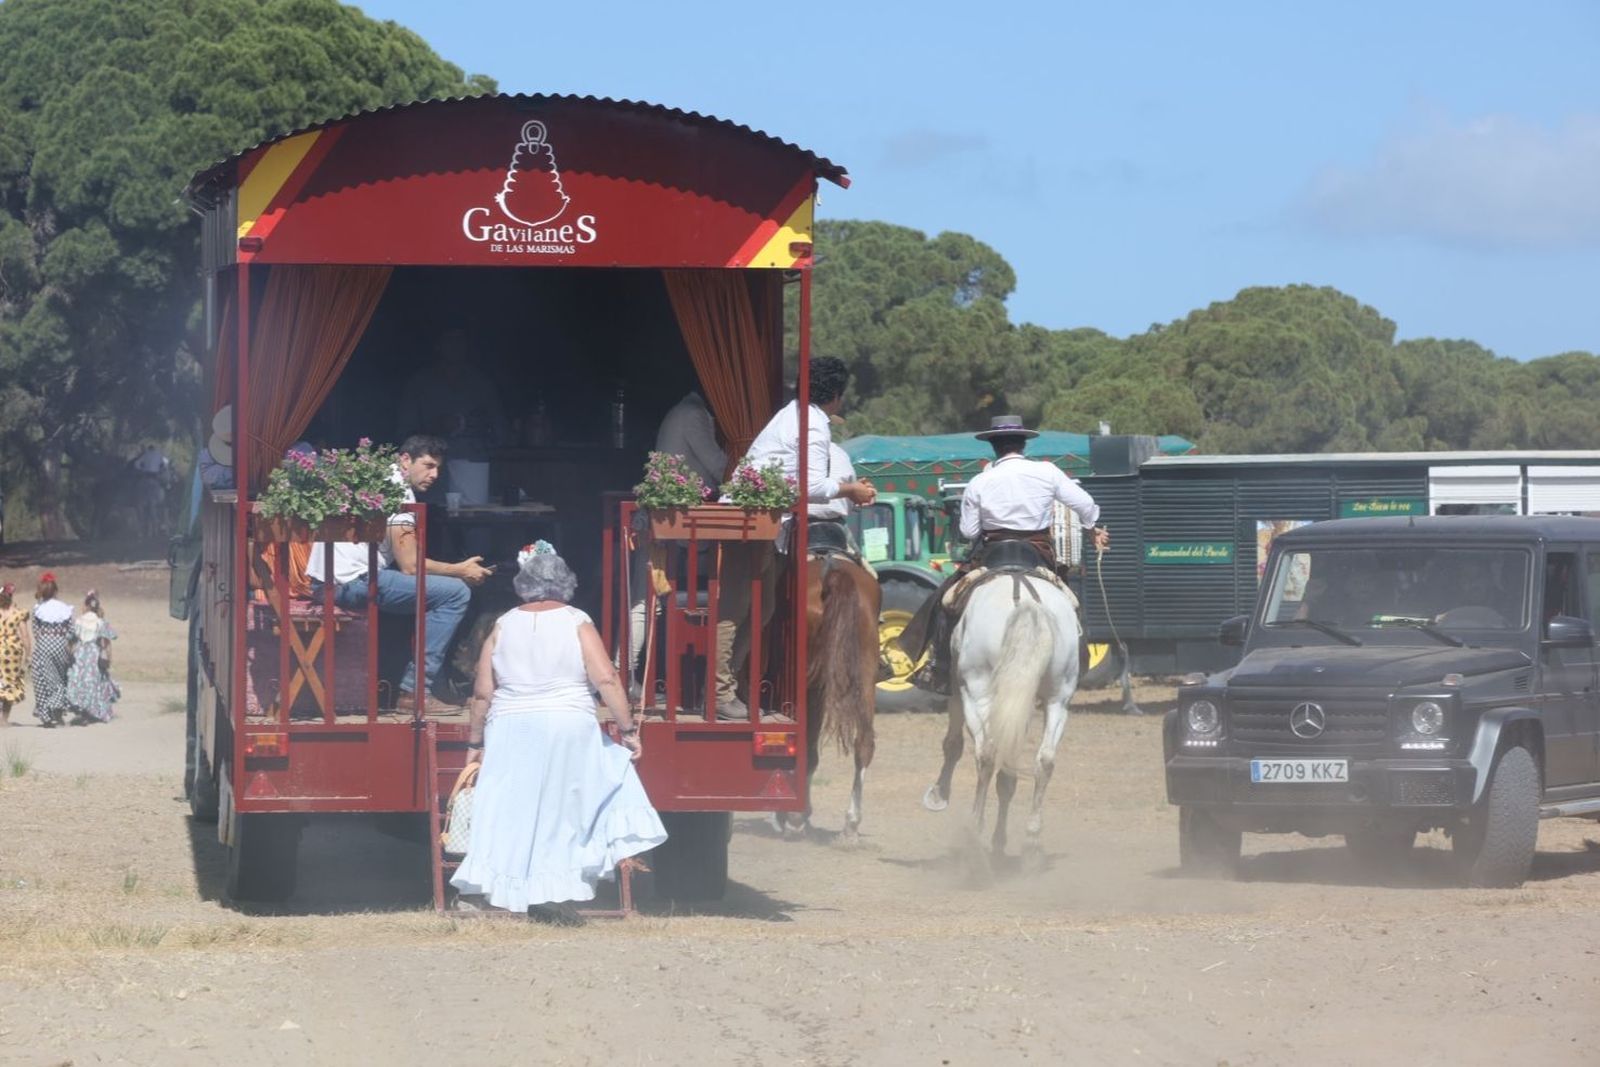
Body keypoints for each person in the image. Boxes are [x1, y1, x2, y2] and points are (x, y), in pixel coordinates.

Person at [450, 545, 667, 916]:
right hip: (568, 722)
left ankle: (488, 889)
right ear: (566, 585)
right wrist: (629, 730)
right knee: (567, 805)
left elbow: (483, 692)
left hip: (511, 725)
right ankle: (559, 888)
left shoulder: (503, 625)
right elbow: (606, 678)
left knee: (506, 808)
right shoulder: (577, 620)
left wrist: (475, 741)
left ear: (522, 586)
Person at [713, 357, 876, 720]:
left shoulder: (793, 414)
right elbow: (813, 486)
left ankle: (726, 687)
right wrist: (852, 490)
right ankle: (719, 691)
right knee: (737, 608)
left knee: (763, 608)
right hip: (749, 520)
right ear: (835, 396)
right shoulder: (814, 426)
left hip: (763, 521)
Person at [899, 416, 1110, 695]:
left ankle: (938, 666)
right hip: (1038, 555)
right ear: (1023, 444)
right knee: (1071, 604)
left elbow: (968, 530)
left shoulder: (980, 480)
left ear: (993, 447)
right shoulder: (1048, 472)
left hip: (993, 554)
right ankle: (1078, 661)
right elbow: (1085, 504)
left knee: (947, 600)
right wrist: (1093, 529)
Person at [310, 434, 493, 713]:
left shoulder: (377, 480)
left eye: (438, 469)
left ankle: (427, 683)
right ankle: (414, 692)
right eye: (428, 465)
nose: (434, 475)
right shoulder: (397, 490)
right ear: (405, 460)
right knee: (456, 593)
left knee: (436, 590)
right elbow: (410, 566)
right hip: (351, 583)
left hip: (329, 580)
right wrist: (460, 570)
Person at [626, 388, 730, 693]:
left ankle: (629, 674)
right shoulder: (693, 415)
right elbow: (716, 463)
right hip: (669, 523)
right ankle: (625, 671)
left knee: (649, 600)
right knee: (647, 601)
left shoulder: (683, 411)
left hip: (669, 522)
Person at [397, 328, 504, 507]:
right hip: (432, 465)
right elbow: (404, 431)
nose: (455, 346)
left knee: (475, 522)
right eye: (449, 340)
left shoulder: (481, 383)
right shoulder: (420, 383)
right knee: (431, 517)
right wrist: (436, 427)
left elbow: (499, 428)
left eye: (460, 341)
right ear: (438, 346)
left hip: (472, 463)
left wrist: (477, 431)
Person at [64, 590, 119, 724]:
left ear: (86, 605)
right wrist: (109, 658)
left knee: (79, 681)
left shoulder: (78, 621)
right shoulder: (101, 622)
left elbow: (70, 640)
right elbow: (107, 642)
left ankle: (82, 711)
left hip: (80, 654)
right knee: (94, 682)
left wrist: (69, 655)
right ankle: (92, 711)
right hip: (94, 654)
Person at [29, 573, 75, 728]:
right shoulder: (65, 609)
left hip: (43, 645)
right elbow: (72, 631)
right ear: (56, 591)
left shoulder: (38, 610)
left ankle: (46, 714)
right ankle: (57, 711)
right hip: (61, 645)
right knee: (60, 679)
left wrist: (45, 641)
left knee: (41, 679)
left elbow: (36, 631)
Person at [0, 582, 30, 727]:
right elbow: (25, 635)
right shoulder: (18, 613)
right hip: (13, 653)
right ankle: (4, 720)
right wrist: (28, 654)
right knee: (10, 684)